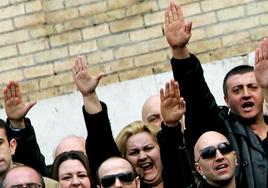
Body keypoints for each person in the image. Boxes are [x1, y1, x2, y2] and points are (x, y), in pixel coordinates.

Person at [164, 2, 268, 187]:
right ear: (226, 100)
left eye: (252, 87)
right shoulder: (221, 132)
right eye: (237, 90)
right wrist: (179, 51)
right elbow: (198, 98)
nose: (245, 94)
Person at [72, 56, 164, 187]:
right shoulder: (119, 183)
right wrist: (89, 96)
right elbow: (101, 142)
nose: (142, 156)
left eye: (148, 148)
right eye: (134, 152)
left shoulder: (185, 175)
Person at [3, 81, 49, 177]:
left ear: (12, 146)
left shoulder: (28, 180)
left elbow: (36, 174)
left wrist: (17, 123)